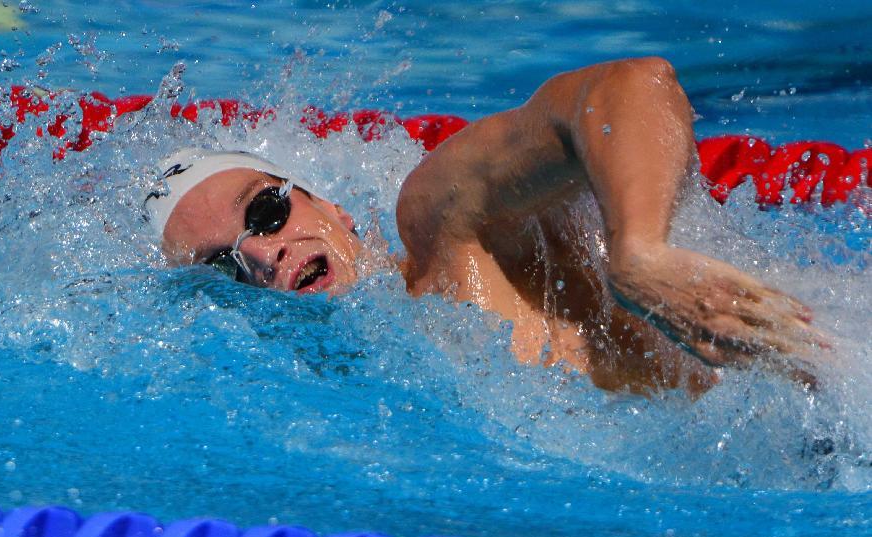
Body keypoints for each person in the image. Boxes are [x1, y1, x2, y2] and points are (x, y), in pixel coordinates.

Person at [147, 57, 827, 396]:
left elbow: (630, 85)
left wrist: (638, 253)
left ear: (332, 208)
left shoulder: (443, 230)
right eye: (223, 266)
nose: (265, 254)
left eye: (266, 211)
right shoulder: (362, 402)